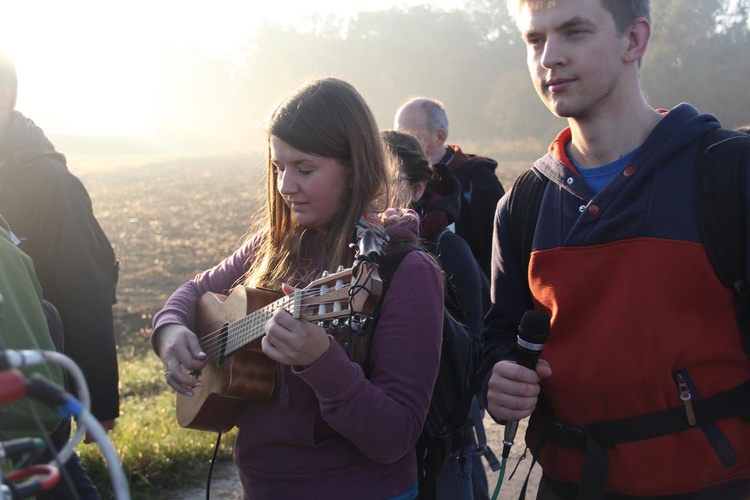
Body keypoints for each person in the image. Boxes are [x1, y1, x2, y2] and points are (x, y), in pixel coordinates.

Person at [483, 0, 750, 498]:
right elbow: (500, 334)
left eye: (574, 32)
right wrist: (497, 381)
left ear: (635, 40)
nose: (548, 58)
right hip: (568, 483)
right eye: (534, 40)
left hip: (715, 482)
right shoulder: (522, 203)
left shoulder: (728, 173)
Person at [152, 77, 444, 499]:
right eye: (278, 168)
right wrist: (171, 332)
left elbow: (395, 435)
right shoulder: (272, 246)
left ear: (354, 168)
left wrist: (322, 361)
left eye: (304, 169)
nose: (285, 186)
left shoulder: (407, 271)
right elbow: (191, 292)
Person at [0, 50, 119, 499]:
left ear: (5, 96)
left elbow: (84, 285)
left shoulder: (47, 182)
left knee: (55, 481)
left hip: (36, 389)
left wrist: (97, 399)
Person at [394, 97, 505, 284]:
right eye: (399, 135)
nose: (402, 146)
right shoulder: (397, 183)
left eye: (412, 137)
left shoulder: (478, 182)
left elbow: (499, 254)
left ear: (439, 136)